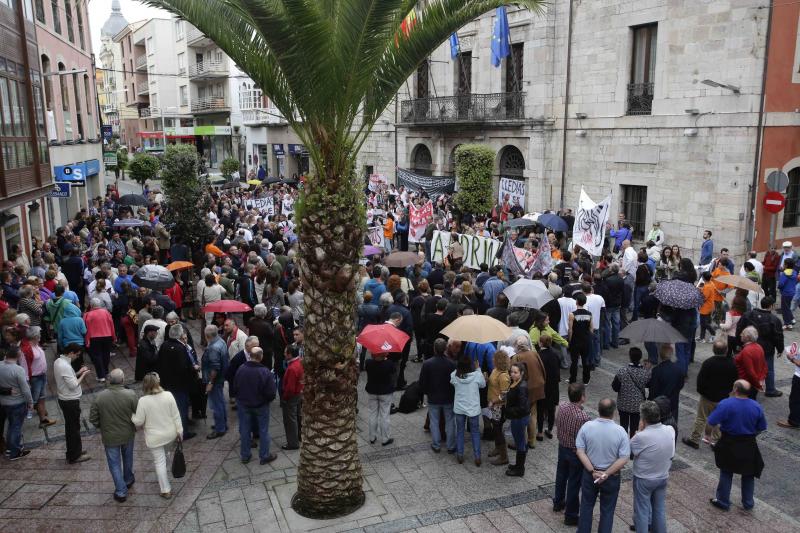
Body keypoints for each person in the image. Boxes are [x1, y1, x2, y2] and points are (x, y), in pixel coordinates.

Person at [707, 380, 767, 512]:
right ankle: (748, 503)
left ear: (735, 389)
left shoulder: (726, 404)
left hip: (729, 442)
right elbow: (762, 427)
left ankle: (723, 501)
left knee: (726, 471)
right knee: (748, 473)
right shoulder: (756, 406)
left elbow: (711, 421)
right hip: (749, 443)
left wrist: (708, 435)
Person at [575, 398, 630, 533]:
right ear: (614, 412)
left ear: (598, 410)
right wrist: (607, 473)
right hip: (611, 477)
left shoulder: (587, 427)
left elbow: (580, 451)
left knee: (586, 506)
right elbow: (624, 458)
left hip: (590, 475)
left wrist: (592, 470)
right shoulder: (620, 431)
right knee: (607, 510)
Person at [131, 372, 183, 500]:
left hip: (154, 438)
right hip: (170, 434)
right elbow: (176, 416)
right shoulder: (168, 395)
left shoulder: (143, 401)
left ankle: (165, 490)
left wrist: (131, 415)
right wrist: (179, 432)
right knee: (165, 456)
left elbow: (138, 421)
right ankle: (164, 472)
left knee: (159, 462)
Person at [89, 369, 138, 502]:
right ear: (122, 380)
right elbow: (138, 413)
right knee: (128, 458)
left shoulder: (100, 397)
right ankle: (128, 479)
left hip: (110, 436)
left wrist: (103, 426)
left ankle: (121, 491)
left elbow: (93, 418)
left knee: (114, 464)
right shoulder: (130, 394)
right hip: (127, 433)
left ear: (109, 380)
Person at [682, 339, 738, 449]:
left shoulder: (708, 363)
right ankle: (716, 441)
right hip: (723, 397)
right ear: (726, 350)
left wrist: (702, 392)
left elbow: (701, 380)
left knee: (701, 418)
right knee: (719, 419)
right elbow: (734, 380)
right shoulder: (732, 364)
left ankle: (695, 439)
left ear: (713, 350)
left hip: (707, 396)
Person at [630, 400, 676, 533]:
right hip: (662, 476)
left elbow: (632, 451)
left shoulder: (641, 437)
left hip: (644, 478)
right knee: (659, 509)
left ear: (643, 418)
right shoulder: (670, 430)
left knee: (642, 511)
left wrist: (639, 431)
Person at [553, 383, 591, 526]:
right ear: (582, 397)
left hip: (562, 446)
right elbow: (586, 438)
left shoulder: (562, 406)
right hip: (576, 453)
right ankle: (571, 515)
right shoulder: (583, 417)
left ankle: (558, 501)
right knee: (574, 483)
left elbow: (557, 422)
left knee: (561, 475)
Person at [234, 347, 278, 464]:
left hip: (244, 405)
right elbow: (271, 392)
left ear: (250, 355)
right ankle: (264, 456)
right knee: (263, 430)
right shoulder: (264, 372)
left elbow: (235, 387)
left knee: (244, 430)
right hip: (260, 406)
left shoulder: (241, 369)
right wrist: (265, 400)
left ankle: (245, 455)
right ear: (261, 357)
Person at [736, 296, 784, 398]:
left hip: (748, 347)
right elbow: (778, 336)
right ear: (771, 306)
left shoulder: (748, 315)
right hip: (767, 349)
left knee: (748, 367)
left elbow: (739, 329)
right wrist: (780, 349)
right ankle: (770, 389)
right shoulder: (774, 319)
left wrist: (739, 344)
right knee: (769, 369)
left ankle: (745, 386)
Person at [157, 324, 197, 440]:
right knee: (182, 408)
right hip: (180, 385)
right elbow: (183, 367)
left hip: (167, 383)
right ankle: (183, 432)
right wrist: (193, 369)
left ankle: (173, 430)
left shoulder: (164, 345)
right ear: (179, 335)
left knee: (171, 409)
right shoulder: (181, 348)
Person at [54, 343, 91, 463]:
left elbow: (69, 378)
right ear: (71, 353)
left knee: (71, 428)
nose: (77, 357)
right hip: (70, 401)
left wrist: (79, 372)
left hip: (65, 399)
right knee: (73, 429)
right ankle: (75, 455)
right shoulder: (64, 365)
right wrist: (84, 374)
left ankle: (74, 451)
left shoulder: (58, 361)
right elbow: (73, 384)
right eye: (77, 355)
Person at [419, 338, 456, 454]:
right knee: (450, 421)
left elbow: (422, 382)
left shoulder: (427, 364)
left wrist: (427, 392)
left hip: (433, 397)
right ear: (445, 348)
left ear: (434, 349)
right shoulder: (452, 363)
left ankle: (436, 445)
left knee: (434, 421)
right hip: (448, 397)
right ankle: (450, 446)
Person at [451, 354, 486, 466]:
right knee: (475, 432)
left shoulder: (454, 375)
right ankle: (477, 457)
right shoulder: (476, 375)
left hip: (459, 408)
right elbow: (483, 385)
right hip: (473, 409)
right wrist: (478, 368)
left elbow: (452, 381)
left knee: (460, 432)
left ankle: (460, 455)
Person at [19, 326, 56, 427]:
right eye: (39, 334)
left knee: (41, 398)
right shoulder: (26, 350)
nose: (40, 336)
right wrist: (26, 382)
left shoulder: (36, 345)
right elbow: (24, 367)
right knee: (32, 401)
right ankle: (18, 420)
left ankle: (43, 420)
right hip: (35, 379)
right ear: (34, 336)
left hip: (41, 376)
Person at [0, 346, 32, 460]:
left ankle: (11, 448)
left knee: (11, 427)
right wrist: (30, 402)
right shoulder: (18, 370)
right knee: (15, 427)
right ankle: (14, 451)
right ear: (18, 356)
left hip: (3, 403)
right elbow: (25, 389)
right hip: (17, 403)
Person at [612, 347, 650, 437]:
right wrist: (647, 369)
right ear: (640, 357)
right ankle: (632, 445)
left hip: (623, 404)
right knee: (634, 428)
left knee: (623, 427)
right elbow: (648, 384)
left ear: (630, 357)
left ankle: (623, 445)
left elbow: (615, 387)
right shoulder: (645, 372)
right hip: (637, 406)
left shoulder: (622, 370)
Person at [202, 325, 229, 439]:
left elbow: (215, 368)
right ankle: (223, 424)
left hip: (215, 380)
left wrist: (210, 383)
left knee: (217, 404)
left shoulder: (213, 348)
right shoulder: (221, 341)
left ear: (207, 336)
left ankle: (220, 429)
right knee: (221, 402)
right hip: (221, 378)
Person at [504, 361, 530, 477]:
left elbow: (522, 407)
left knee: (520, 443)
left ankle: (519, 469)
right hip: (516, 418)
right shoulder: (515, 383)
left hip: (519, 418)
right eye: (511, 372)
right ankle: (518, 466)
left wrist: (508, 411)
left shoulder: (522, 387)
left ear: (522, 373)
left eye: (515, 372)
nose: (512, 374)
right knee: (520, 441)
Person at [364, 351, 396, 446]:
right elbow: (393, 372)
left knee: (372, 414)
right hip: (385, 392)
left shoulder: (368, 363)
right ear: (385, 354)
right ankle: (385, 439)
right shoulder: (389, 364)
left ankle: (372, 437)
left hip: (372, 391)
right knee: (384, 415)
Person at [647, 345, 684, 425]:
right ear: (671, 355)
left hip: (659, 404)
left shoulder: (656, 370)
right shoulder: (678, 370)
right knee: (672, 426)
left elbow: (653, 389)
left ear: (660, 355)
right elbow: (680, 385)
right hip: (672, 403)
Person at [486, 347, 511, 465]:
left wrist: (494, 401)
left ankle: (504, 457)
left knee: (498, 430)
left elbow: (505, 395)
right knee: (496, 429)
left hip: (499, 408)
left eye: (494, 358)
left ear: (498, 360)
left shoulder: (503, 376)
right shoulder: (495, 370)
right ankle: (498, 448)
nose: (492, 359)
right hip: (493, 406)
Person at [84, 297, 116, 382]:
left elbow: (86, 329)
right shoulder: (106, 313)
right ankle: (106, 372)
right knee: (106, 355)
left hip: (94, 337)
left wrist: (87, 340)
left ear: (91, 305)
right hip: (107, 336)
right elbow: (111, 325)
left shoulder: (87, 315)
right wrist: (114, 336)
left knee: (97, 356)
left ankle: (101, 375)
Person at [536, 334, 561, 441]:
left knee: (540, 409)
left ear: (541, 343)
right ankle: (550, 430)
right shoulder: (556, 354)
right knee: (551, 409)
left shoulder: (539, 355)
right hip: (554, 386)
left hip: (543, 386)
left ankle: (540, 432)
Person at [734, 326, 768, 400]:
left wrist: (758, 385)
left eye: (742, 333)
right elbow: (764, 365)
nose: (740, 335)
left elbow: (750, 372)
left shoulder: (747, 351)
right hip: (755, 381)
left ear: (747, 337)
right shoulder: (759, 347)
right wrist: (761, 379)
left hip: (746, 384)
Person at [281, 344, 304, 450]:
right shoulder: (299, 363)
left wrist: (284, 398)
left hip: (292, 397)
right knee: (298, 416)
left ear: (290, 355)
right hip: (299, 394)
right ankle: (300, 436)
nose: (284, 354)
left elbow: (289, 388)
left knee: (290, 420)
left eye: (285, 352)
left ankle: (293, 443)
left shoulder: (291, 368)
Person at [568, 292, 594, 385]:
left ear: (577, 302)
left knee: (574, 361)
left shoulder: (572, 314)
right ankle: (586, 380)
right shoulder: (589, 314)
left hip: (575, 340)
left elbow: (570, 330)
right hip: (586, 340)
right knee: (585, 360)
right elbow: (591, 328)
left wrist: (570, 340)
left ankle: (573, 379)